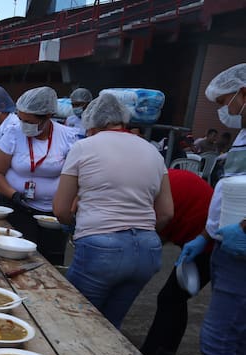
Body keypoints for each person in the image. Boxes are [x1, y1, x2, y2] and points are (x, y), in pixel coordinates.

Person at [53, 93, 174, 329]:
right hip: (147, 250)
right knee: (111, 327)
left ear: (92, 123)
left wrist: (77, 227)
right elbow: (167, 212)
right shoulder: (152, 151)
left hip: (101, 246)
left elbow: (60, 209)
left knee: (76, 323)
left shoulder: (83, 147)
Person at [177, 63, 246, 355]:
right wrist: (207, 233)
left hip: (241, 252)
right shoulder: (244, 136)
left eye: (226, 101)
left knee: (218, 339)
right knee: (234, 337)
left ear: (244, 93)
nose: (226, 110)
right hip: (225, 242)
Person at [0, 87, 79, 265]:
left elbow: (79, 178)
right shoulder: (14, 133)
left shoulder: (69, 137)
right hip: (18, 207)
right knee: (15, 258)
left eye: (28, 121)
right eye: (20, 119)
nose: (23, 125)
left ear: (47, 116)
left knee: (50, 260)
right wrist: (13, 194)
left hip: (52, 214)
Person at [140, 169, 213, 355]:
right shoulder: (156, 177)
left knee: (170, 297)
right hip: (200, 233)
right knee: (176, 297)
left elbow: (154, 228)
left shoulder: (147, 190)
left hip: (209, 240)